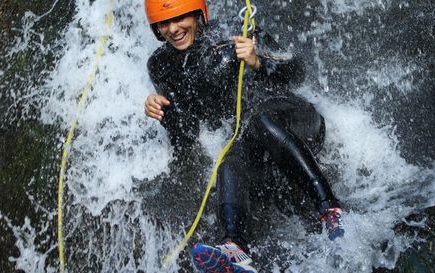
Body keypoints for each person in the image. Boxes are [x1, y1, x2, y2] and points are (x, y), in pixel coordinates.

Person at [143, 1, 346, 272]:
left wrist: (258, 61)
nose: (173, 29)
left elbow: (296, 73)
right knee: (228, 160)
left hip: (294, 120)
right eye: (164, 23)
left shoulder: (235, 32)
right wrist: (165, 114)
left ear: (197, 14)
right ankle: (234, 249)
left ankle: (331, 208)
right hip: (252, 142)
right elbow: (187, 135)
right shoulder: (161, 65)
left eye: (180, 19)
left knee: (261, 120)